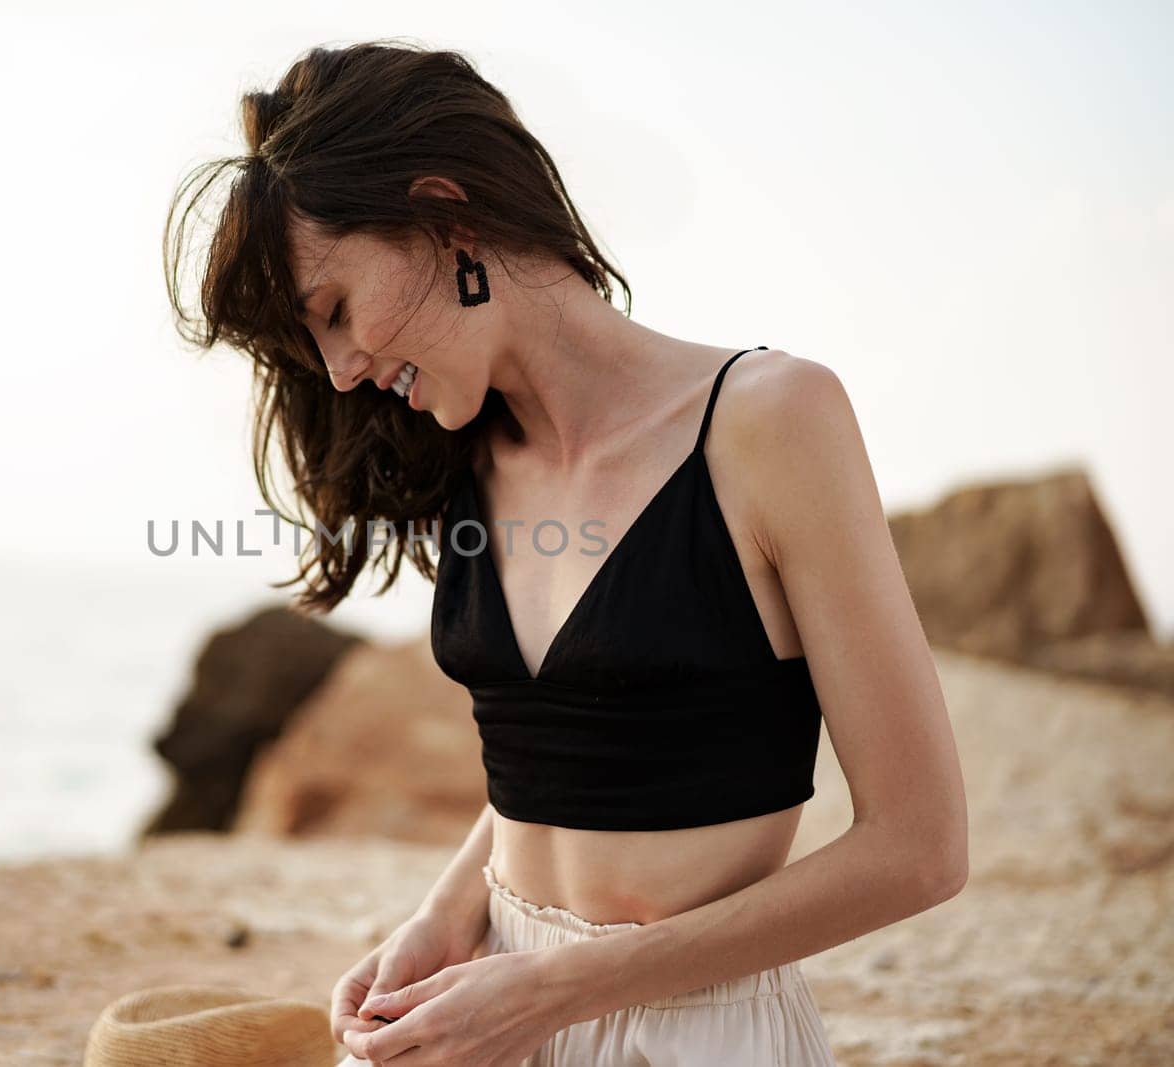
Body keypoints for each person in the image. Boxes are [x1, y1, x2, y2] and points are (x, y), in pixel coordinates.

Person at [162, 38, 967, 1067]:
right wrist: (446, 916)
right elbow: (556, 767)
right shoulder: (461, 456)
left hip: (686, 1031)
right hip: (489, 1007)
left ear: (445, 212)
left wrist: (554, 988)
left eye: (333, 311)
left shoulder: (772, 421)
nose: (342, 368)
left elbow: (920, 848)